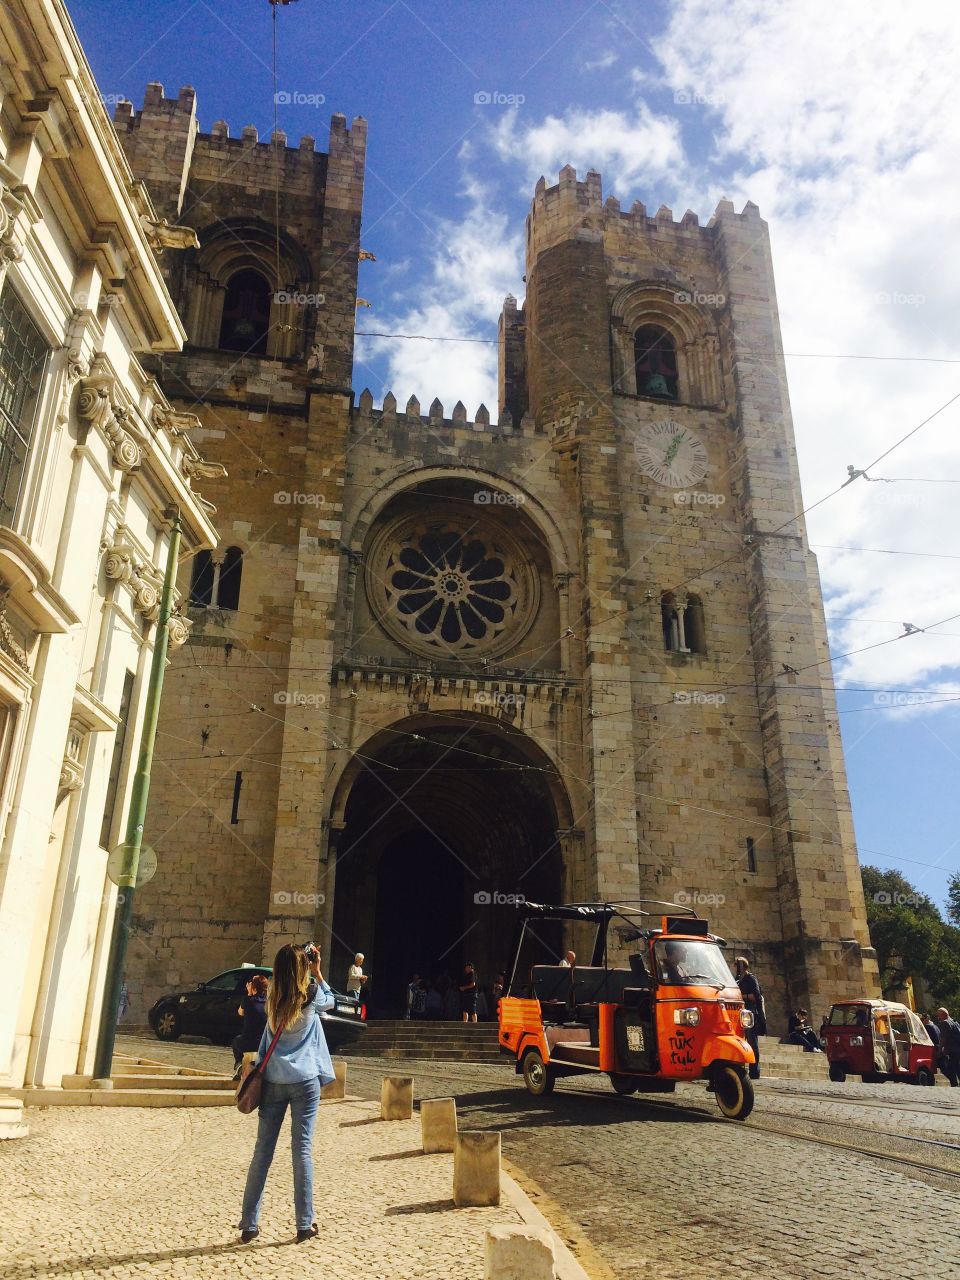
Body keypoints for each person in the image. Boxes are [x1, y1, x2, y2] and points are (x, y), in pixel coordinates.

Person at [238, 943, 335, 1243]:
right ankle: (304, 1225)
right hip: (305, 1081)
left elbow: (268, 1037)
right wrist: (318, 971)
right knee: (302, 1151)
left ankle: (249, 1225)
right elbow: (331, 1001)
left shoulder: (271, 1000)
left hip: (274, 1081)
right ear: (303, 968)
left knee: (262, 1152)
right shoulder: (311, 997)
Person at [232, 973, 268, 1078]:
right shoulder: (269, 1003)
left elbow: (240, 1012)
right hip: (265, 1043)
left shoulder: (248, 1000)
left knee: (235, 1041)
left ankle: (238, 1064)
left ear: (254, 988)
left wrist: (249, 993)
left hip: (248, 1043)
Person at [734, 956, 764, 1080]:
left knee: (752, 1042)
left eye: (736, 965)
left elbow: (755, 995)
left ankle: (754, 1071)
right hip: (739, 1014)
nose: (734, 967)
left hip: (750, 1014)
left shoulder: (751, 979)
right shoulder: (737, 980)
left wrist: (742, 995)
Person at [935, 1007, 960, 1086]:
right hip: (957, 1048)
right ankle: (955, 1083)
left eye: (939, 1015)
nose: (938, 1017)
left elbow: (943, 1038)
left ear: (942, 1014)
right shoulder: (954, 1022)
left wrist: (940, 1050)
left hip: (951, 1049)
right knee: (957, 1067)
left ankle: (954, 1084)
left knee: (948, 1068)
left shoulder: (945, 1023)